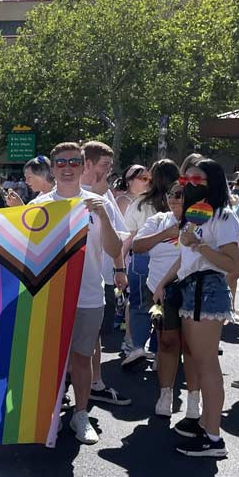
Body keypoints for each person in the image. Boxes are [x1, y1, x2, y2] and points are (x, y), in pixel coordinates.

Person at [33, 142, 124, 444]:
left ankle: (81, 414)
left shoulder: (100, 203)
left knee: (82, 359)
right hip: (48, 296)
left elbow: (114, 250)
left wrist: (105, 217)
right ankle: (50, 413)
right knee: (49, 360)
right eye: (61, 162)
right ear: (53, 167)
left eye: (74, 161)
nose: (68, 167)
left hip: (87, 296)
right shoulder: (39, 205)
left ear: (84, 165)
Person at [153, 159, 239, 458]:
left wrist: (199, 245)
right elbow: (184, 258)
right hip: (192, 290)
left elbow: (233, 263)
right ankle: (205, 424)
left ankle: (213, 438)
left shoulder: (224, 217)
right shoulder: (194, 214)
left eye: (198, 178)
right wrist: (164, 282)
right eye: (187, 177)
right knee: (200, 365)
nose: (190, 182)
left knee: (207, 365)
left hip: (207, 290)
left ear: (213, 180)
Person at [131, 182, 197, 418]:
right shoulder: (158, 220)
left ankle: (193, 399)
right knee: (166, 342)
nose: (174, 198)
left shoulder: (201, 220)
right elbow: (137, 246)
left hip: (192, 289)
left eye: (180, 195)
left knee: (191, 346)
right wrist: (166, 234)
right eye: (171, 194)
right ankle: (165, 394)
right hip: (159, 290)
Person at [79, 141, 132, 408]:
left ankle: (95, 384)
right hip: (64, 282)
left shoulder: (105, 196)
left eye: (110, 166)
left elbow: (120, 237)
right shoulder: (63, 194)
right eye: (104, 165)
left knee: (94, 336)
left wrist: (120, 268)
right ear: (87, 164)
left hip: (96, 281)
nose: (109, 171)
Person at [122, 160, 179, 368]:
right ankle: (159, 352)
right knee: (165, 305)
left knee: (138, 304)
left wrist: (119, 263)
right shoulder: (179, 201)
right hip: (170, 259)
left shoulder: (139, 202)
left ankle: (137, 346)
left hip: (141, 256)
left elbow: (130, 235)